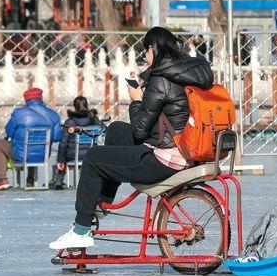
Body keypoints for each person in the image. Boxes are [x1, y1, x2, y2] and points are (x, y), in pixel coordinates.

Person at [49, 27, 214, 251]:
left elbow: (139, 130)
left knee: (94, 158)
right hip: (186, 148)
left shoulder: (162, 80)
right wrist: (147, 88)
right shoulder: (190, 73)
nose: (145, 57)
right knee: (116, 130)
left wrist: (136, 100)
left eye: (145, 52)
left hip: (165, 159)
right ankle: (103, 203)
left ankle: (81, 229)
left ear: (152, 50)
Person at [0, 87, 63, 191]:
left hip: (21, 155)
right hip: (43, 155)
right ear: (40, 98)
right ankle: (30, 179)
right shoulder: (53, 115)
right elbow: (57, 137)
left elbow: (9, 132)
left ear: (26, 99)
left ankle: (1, 179)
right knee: (35, 146)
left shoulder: (19, 113)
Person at [49, 96, 103, 190]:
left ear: (75, 106)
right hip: (92, 153)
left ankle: (59, 179)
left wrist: (60, 160)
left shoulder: (70, 122)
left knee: (62, 154)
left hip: (73, 154)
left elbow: (63, 143)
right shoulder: (95, 120)